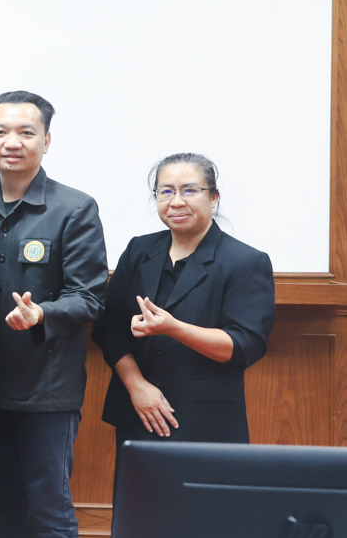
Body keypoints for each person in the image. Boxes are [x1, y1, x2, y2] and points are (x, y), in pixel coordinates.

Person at [0, 90, 106, 538]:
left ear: (46, 141)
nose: (13, 142)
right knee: (4, 506)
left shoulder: (74, 208)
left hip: (47, 391)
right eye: (1, 131)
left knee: (49, 511)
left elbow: (88, 296)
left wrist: (41, 314)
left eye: (26, 132)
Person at [92, 153, 274, 480]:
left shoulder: (245, 261)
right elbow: (108, 326)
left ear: (213, 197)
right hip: (139, 412)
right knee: (140, 509)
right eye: (166, 191)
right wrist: (136, 386)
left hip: (206, 422)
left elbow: (243, 345)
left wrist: (173, 328)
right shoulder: (139, 251)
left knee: (207, 510)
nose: (176, 201)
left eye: (190, 190)